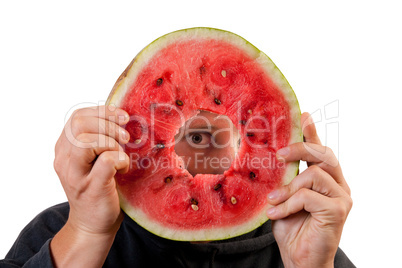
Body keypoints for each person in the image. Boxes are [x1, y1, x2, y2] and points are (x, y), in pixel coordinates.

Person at [0, 105, 354, 267]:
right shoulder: (58, 230)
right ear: (141, 142)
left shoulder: (312, 246)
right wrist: (86, 233)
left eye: (245, 140)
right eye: (195, 136)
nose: (220, 164)